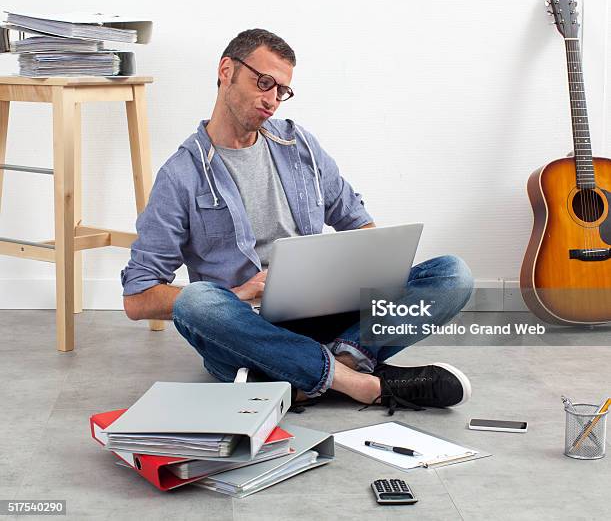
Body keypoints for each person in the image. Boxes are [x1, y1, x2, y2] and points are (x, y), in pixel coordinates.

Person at [121, 28, 474, 415]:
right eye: (264, 83)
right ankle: (358, 381)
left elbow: (358, 224)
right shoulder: (181, 175)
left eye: (282, 91)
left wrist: (356, 270)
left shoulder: (299, 145)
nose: (273, 100)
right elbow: (138, 299)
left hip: (327, 312)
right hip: (248, 331)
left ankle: (318, 372)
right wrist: (238, 293)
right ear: (226, 71)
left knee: (452, 275)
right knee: (197, 302)